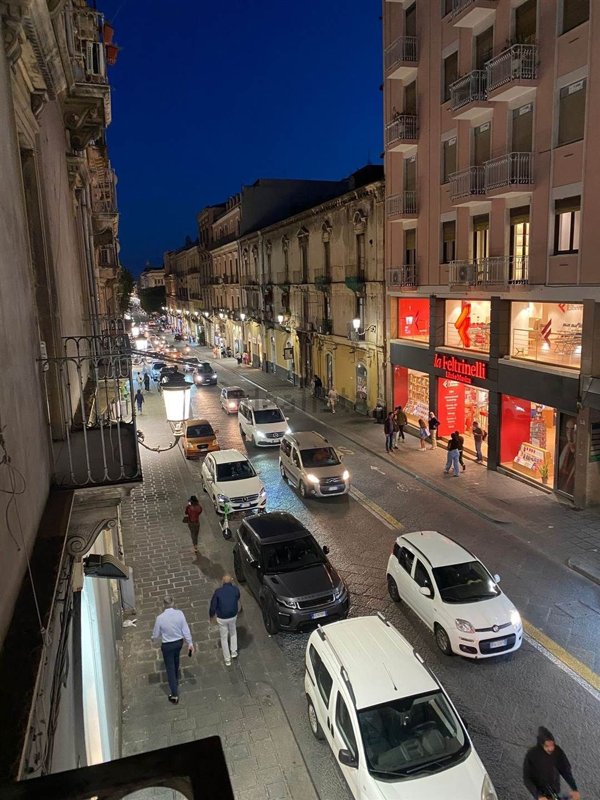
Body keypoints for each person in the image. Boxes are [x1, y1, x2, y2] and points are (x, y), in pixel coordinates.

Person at [152, 596, 194, 704]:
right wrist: (190, 643)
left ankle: (174, 694)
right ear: (173, 603)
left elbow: (156, 634)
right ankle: (175, 678)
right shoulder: (180, 614)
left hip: (167, 645)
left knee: (169, 668)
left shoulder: (160, 618)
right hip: (178, 643)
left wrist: (153, 639)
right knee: (176, 660)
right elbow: (185, 629)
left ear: (164, 605)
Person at [523, 727, 580, 800]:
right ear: (541, 745)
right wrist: (539, 796)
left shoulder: (557, 751)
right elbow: (527, 779)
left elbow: (566, 771)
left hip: (555, 791)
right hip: (540, 793)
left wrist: (574, 788)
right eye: (547, 746)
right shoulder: (531, 755)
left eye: (552, 745)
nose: (550, 749)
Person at [209, 575, 241, 666]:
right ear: (231, 581)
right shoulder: (235, 589)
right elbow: (237, 597)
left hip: (222, 618)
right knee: (233, 632)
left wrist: (211, 616)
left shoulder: (218, 592)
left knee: (223, 638)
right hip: (233, 616)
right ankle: (234, 652)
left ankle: (227, 660)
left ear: (222, 581)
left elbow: (213, 606)